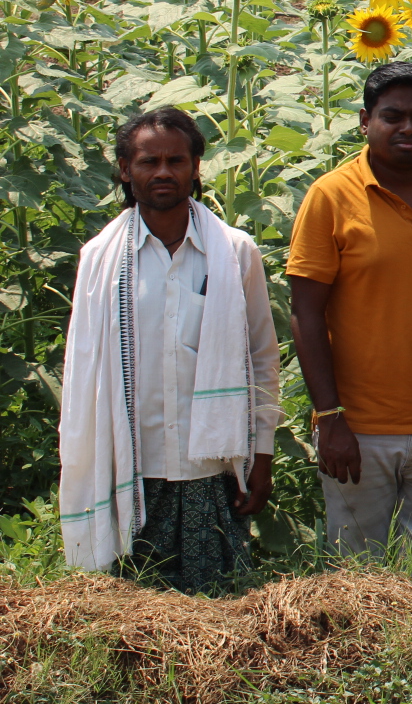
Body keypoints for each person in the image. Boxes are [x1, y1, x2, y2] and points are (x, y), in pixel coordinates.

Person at [287, 62, 412, 597]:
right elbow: (305, 312)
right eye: (392, 116)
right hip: (358, 429)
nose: (407, 128)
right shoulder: (331, 196)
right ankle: (355, 681)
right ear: (364, 121)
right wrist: (329, 417)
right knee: (356, 586)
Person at [58, 108, 280, 593]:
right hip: (131, 470)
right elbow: (84, 372)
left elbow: (262, 357)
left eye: (176, 160)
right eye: (148, 161)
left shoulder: (235, 252)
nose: (163, 172)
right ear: (125, 169)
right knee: (132, 621)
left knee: (218, 617)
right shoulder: (100, 259)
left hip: (212, 472)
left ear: (196, 167)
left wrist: (262, 455)